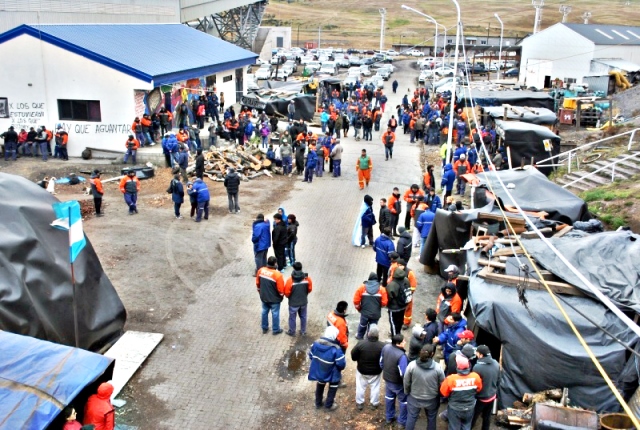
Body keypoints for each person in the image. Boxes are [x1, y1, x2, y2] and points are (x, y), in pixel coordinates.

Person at [404, 344, 445, 430]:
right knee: (431, 419)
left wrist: (407, 392)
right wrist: (439, 395)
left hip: (414, 397)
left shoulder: (412, 365)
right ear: (432, 353)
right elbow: (443, 383)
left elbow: (406, 381)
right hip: (432, 398)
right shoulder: (438, 368)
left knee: (411, 418)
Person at [308, 326, 346, 411]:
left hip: (320, 370)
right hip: (333, 373)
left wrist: (318, 363)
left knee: (320, 385)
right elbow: (341, 364)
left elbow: (311, 355)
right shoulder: (336, 349)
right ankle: (328, 405)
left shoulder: (316, 344)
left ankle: (318, 403)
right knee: (333, 387)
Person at [440, 355, 483, 430]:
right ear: (469, 366)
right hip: (470, 407)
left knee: (454, 427)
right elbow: (479, 389)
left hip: (455, 409)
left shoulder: (451, 379)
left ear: (457, 366)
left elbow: (444, 393)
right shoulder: (475, 377)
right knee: (466, 426)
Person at [351, 324, 385, 411]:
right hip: (376, 371)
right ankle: (374, 403)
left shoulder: (361, 344)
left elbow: (353, 356)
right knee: (375, 387)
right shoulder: (383, 346)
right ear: (378, 335)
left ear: (368, 333)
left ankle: (360, 403)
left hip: (362, 370)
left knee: (360, 387)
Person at [381, 334, 409, 427]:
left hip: (387, 379)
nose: (405, 342)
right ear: (398, 344)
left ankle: (389, 417)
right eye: (403, 341)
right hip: (398, 383)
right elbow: (403, 374)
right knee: (403, 401)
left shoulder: (386, 347)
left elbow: (381, 362)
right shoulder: (402, 356)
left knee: (389, 398)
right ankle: (402, 422)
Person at [472, 345, 500, 430]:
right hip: (492, 396)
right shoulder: (496, 363)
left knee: (473, 418)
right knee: (487, 418)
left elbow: (474, 383)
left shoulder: (477, 367)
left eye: (477, 353)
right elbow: (499, 379)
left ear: (481, 355)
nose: (476, 354)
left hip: (481, 398)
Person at [353, 272, 388, 340]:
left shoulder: (362, 288)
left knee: (362, 324)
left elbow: (356, 301)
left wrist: (359, 309)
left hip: (365, 313)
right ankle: (369, 338)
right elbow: (384, 302)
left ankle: (359, 336)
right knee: (373, 326)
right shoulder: (382, 289)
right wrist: (378, 307)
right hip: (375, 313)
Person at [256, 256, 285, 335]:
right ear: (275, 263)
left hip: (264, 296)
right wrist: (281, 296)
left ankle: (264, 328)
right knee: (275, 313)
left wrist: (260, 292)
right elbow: (281, 290)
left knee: (264, 311)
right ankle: (275, 329)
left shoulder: (261, 271)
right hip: (274, 299)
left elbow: (258, 284)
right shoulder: (277, 275)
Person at [284, 261, 312, 336]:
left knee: (292, 318)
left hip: (293, 303)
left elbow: (286, 293)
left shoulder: (290, 280)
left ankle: (292, 332)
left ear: (293, 268)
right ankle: (303, 331)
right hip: (303, 302)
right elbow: (309, 289)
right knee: (303, 316)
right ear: (301, 268)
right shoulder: (307, 279)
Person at [387, 267, 409, 336]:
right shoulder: (406, 280)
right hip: (403, 305)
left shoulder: (392, 284)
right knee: (400, 321)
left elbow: (389, 297)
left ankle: (395, 338)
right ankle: (398, 333)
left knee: (393, 323)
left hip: (394, 308)